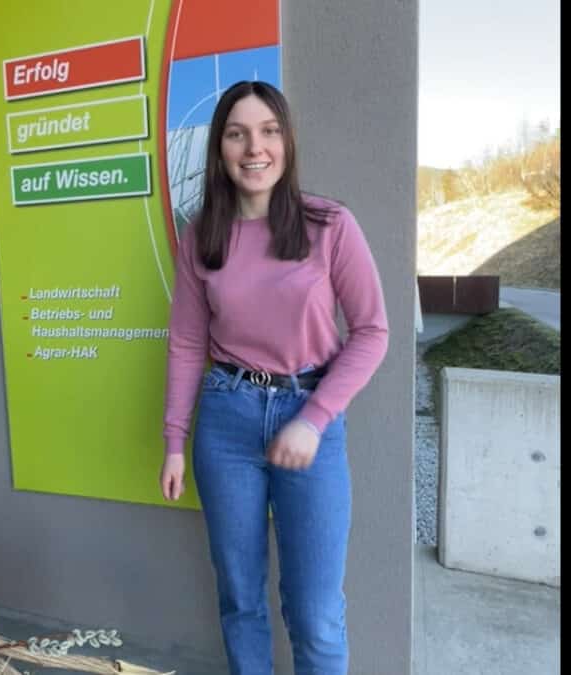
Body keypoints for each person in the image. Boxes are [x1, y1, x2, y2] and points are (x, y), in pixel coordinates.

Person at [159, 80, 388, 675]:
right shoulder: (201, 234)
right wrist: (175, 442)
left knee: (314, 612)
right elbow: (186, 341)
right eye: (237, 134)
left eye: (267, 131)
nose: (253, 147)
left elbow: (372, 332)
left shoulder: (330, 225)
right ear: (220, 149)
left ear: (286, 142)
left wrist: (314, 420)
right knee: (240, 601)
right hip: (225, 425)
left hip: (310, 418)